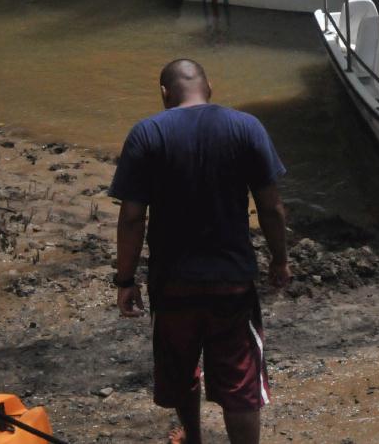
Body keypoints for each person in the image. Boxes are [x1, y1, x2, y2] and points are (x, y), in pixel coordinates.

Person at [111, 59, 290, 444]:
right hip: (232, 282)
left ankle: (193, 437)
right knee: (240, 384)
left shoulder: (146, 134)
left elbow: (131, 217)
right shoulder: (246, 128)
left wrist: (125, 280)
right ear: (210, 86)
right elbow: (271, 207)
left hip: (172, 283)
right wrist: (279, 258)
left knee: (180, 368)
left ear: (164, 93)